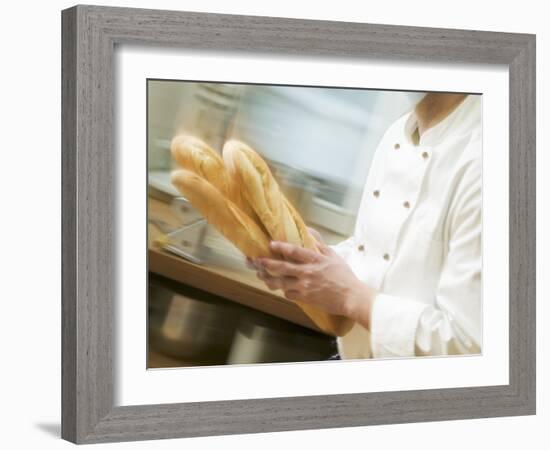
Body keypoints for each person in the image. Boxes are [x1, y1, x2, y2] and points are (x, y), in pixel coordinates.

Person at [247, 93, 482, 359]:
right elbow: (376, 256)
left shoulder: (483, 163)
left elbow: (468, 347)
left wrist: (350, 296)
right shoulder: (397, 133)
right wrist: (311, 257)